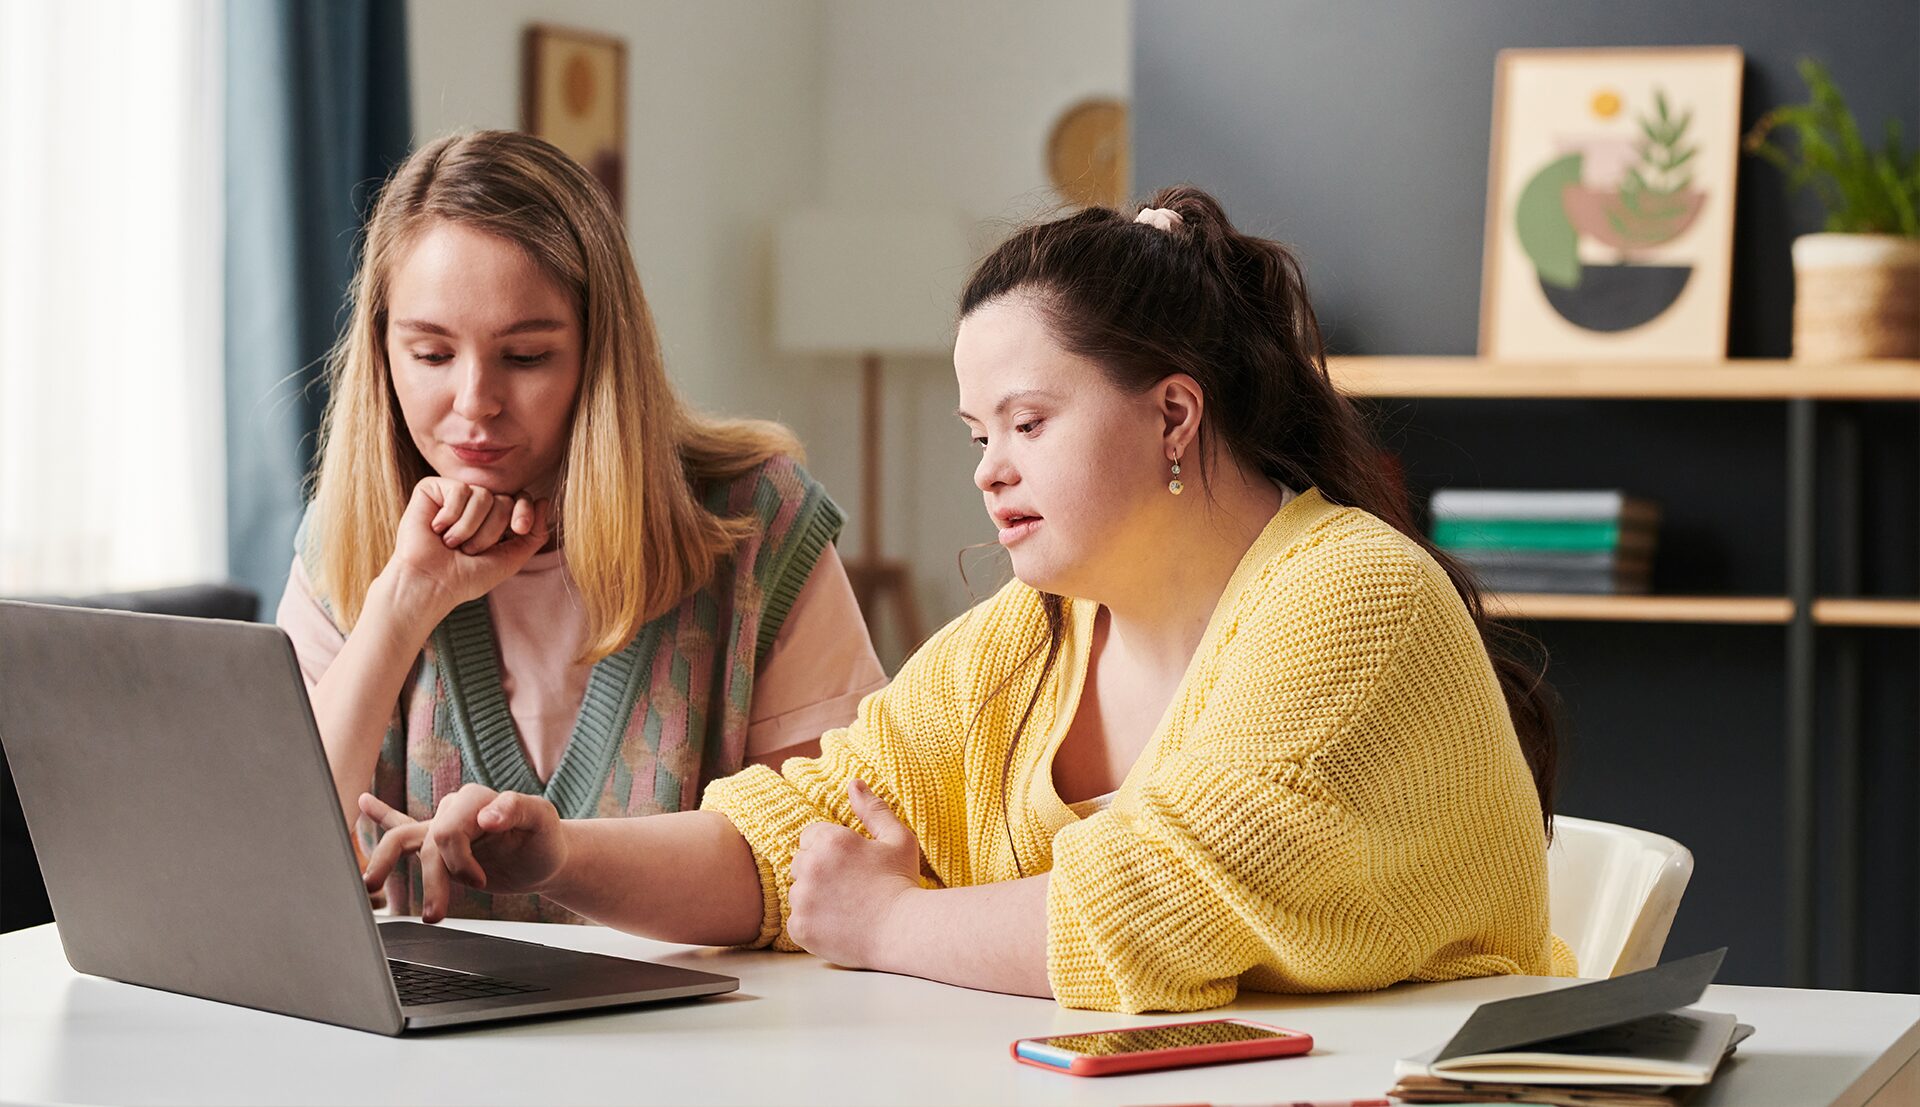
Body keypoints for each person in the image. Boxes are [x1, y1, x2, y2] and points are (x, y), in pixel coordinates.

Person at [362, 185, 1577, 1012]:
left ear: (1173, 413)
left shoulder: (1354, 597)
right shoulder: (1025, 642)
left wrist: (889, 928)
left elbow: (1157, 905)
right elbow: (791, 845)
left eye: (1029, 422)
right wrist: (561, 854)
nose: (988, 467)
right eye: (976, 430)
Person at [278, 130, 886, 922]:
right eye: (430, 354)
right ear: (383, 347)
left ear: (600, 354)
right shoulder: (348, 535)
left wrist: (562, 856)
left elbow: (824, 860)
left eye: (525, 358)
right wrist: (401, 604)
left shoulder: (756, 523)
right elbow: (279, 873)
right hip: (422, 1044)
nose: (474, 403)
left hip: (703, 1040)